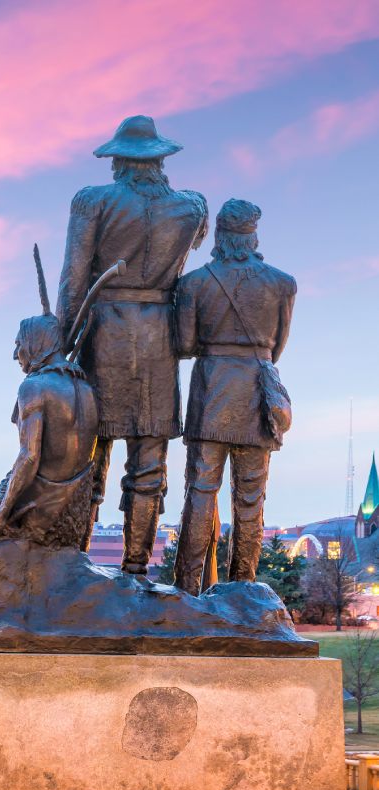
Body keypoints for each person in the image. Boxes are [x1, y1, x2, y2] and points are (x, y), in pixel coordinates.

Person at [56, 115, 208, 573]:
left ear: (118, 160)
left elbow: (74, 278)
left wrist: (59, 347)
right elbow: (195, 245)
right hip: (159, 336)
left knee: (88, 453)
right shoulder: (193, 206)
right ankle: (136, 568)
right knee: (149, 459)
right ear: (160, 160)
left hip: (105, 333)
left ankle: (76, 563)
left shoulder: (92, 201)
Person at [0, 258, 99, 563]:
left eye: (19, 344)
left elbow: (30, 457)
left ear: (36, 344)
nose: (15, 354)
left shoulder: (34, 387)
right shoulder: (86, 389)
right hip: (71, 516)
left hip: (35, 510)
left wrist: (0, 514)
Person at [173, 199, 296, 595]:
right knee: (251, 498)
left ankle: (186, 586)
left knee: (199, 492)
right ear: (253, 236)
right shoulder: (282, 284)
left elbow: (184, 345)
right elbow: (277, 347)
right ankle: (243, 587)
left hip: (210, 392)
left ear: (220, 237)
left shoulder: (193, 284)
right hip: (257, 395)